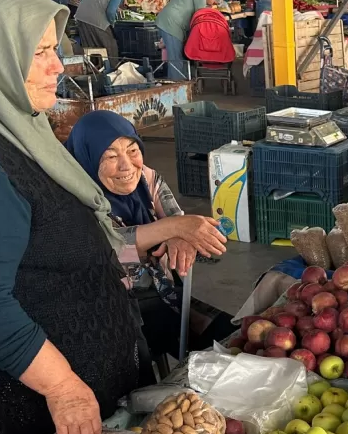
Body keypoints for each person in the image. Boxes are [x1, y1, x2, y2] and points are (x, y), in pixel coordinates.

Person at [0, 0, 141, 434]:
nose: (58, 66)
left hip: (81, 389)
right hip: (27, 415)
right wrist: (62, 386)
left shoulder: (19, 127)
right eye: (40, 53)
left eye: (54, 49)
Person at [65, 113, 231, 368]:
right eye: (110, 156)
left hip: (160, 294)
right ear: (88, 156)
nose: (126, 166)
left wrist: (179, 234)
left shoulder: (147, 178)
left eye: (133, 150)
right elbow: (106, 250)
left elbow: (183, 224)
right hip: (104, 310)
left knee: (232, 337)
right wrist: (171, 227)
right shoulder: (72, 199)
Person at [155, 0, 211, 81]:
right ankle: (177, 85)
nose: (213, 4)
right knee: (176, 58)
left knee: (178, 56)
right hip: (171, 24)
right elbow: (200, 17)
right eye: (214, 1)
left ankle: (183, 81)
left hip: (170, 21)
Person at [73, 0, 122, 65]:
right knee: (110, 47)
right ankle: (111, 70)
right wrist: (113, 23)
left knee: (90, 48)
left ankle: (93, 70)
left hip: (81, 17)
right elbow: (110, 12)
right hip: (98, 22)